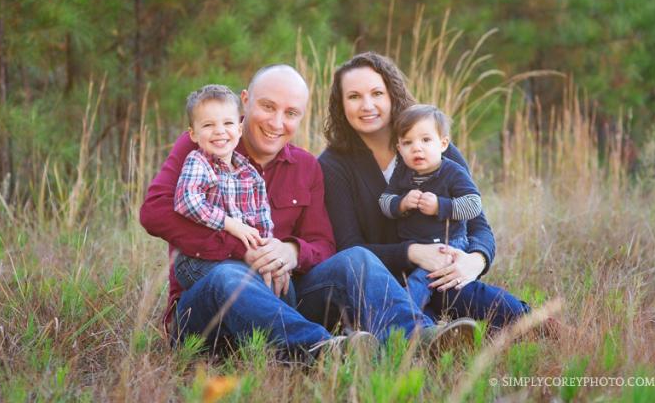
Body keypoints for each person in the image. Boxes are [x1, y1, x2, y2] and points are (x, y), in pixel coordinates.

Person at [140, 64, 478, 357]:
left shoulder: (306, 167)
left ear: (301, 116)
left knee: (356, 258)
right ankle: (319, 349)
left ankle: (417, 339)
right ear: (245, 101)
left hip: (284, 299)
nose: (276, 122)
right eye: (267, 107)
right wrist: (245, 250)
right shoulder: (206, 141)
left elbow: (324, 244)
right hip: (208, 314)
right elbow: (154, 212)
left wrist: (291, 251)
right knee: (231, 276)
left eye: (290, 113)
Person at [318, 52, 530, 330]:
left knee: (476, 299)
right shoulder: (333, 165)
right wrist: (413, 252)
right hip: (382, 286)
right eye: (354, 96)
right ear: (341, 104)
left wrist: (474, 261)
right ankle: (431, 338)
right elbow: (350, 249)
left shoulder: (433, 147)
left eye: (377, 93)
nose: (367, 105)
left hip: (442, 275)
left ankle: (538, 324)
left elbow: (478, 224)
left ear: (393, 94)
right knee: (415, 312)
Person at [379, 104, 482, 311]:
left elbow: (473, 205)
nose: (417, 148)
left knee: (421, 281)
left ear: (443, 143)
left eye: (426, 140)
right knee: (402, 281)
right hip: (414, 247)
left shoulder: (453, 172)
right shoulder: (402, 173)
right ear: (399, 148)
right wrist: (401, 203)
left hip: (448, 243)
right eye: (408, 143)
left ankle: (400, 319)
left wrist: (440, 206)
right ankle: (423, 318)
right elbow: (384, 201)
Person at [172, 84, 274, 291]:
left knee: (278, 286)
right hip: (198, 260)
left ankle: (283, 322)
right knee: (241, 282)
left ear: (239, 128)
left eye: (227, 122)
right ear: (193, 134)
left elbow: (263, 220)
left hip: (240, 261)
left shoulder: (250, 174)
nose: (219, 131)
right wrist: (231, 224)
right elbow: (186, 201)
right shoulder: (198, 162)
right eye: (208, 125)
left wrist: (266, 256)